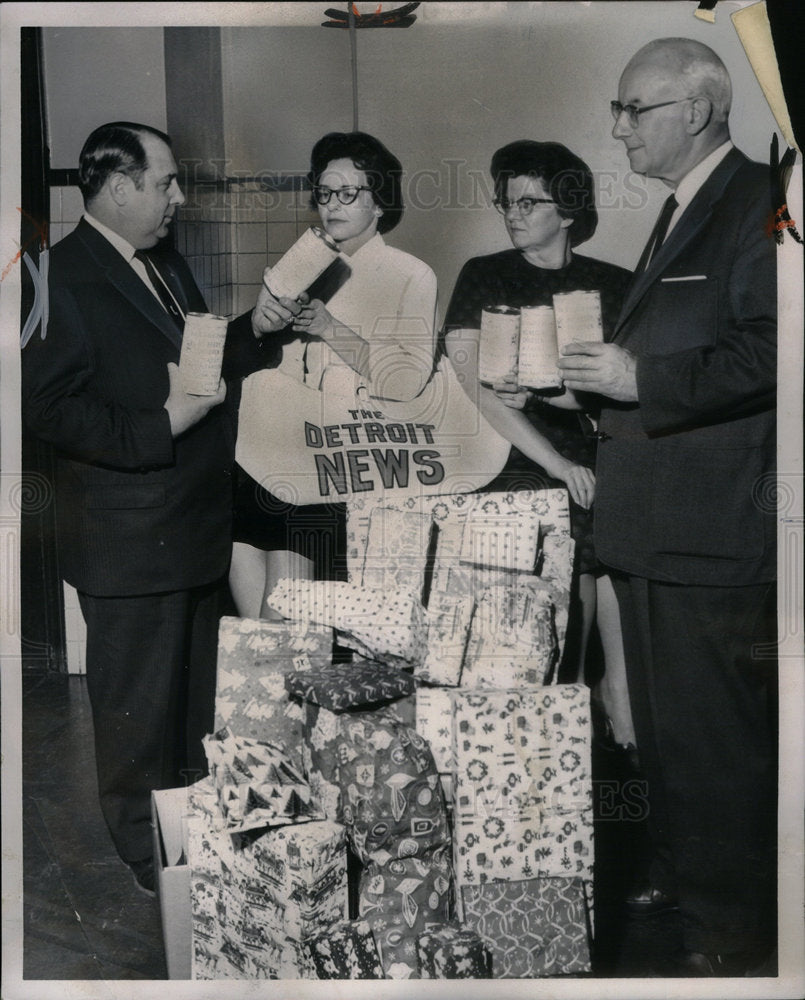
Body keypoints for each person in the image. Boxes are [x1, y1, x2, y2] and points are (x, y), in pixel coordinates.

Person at [21, 122, 287, 895]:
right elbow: (46, 409)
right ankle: (152, 864)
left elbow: (197, 376)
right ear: (115, 186)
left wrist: (256, 334)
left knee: (190, 712)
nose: (177, 197)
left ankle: (194, 852)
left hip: (192, 529)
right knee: (138, 719)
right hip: (129, 544)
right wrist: (159, 426)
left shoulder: (163, 266)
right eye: (164, 182)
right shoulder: (52, 278)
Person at [559, 38, 777, 976]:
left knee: (712, 754)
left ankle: (731, 945)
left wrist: (634, 375)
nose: (617, 128)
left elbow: (772, 351)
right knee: (669, 749)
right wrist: (597, 390)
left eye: (631, 109)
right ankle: (694, 893)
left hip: (708, 534)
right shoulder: (683, 207)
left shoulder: (760, 202)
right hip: (655, 532)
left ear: (695, 110)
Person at [442, 140, 633, 700]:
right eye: (507, 203)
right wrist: (557, 461)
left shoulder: (613, 283)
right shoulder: (484, 274)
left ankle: (621, 742)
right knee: (548, 633)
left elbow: (614, 392)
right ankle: (556, 740)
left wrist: (547, 398)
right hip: (510, 465)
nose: (513, 214)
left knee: (612, 608)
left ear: (568, 212)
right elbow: (472, 382)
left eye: (529, 203)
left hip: (594, 460)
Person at [230, 130, 438, 620]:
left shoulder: (411, 274)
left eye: (349, 193)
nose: (331, 205)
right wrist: (263, 325)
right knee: (249, 620)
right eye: (324, 193)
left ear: (380, 201)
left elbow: (406, 383)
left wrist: (330, 328)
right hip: (270, 452)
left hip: (340, 463)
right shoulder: (304, 266)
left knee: (282, 622)